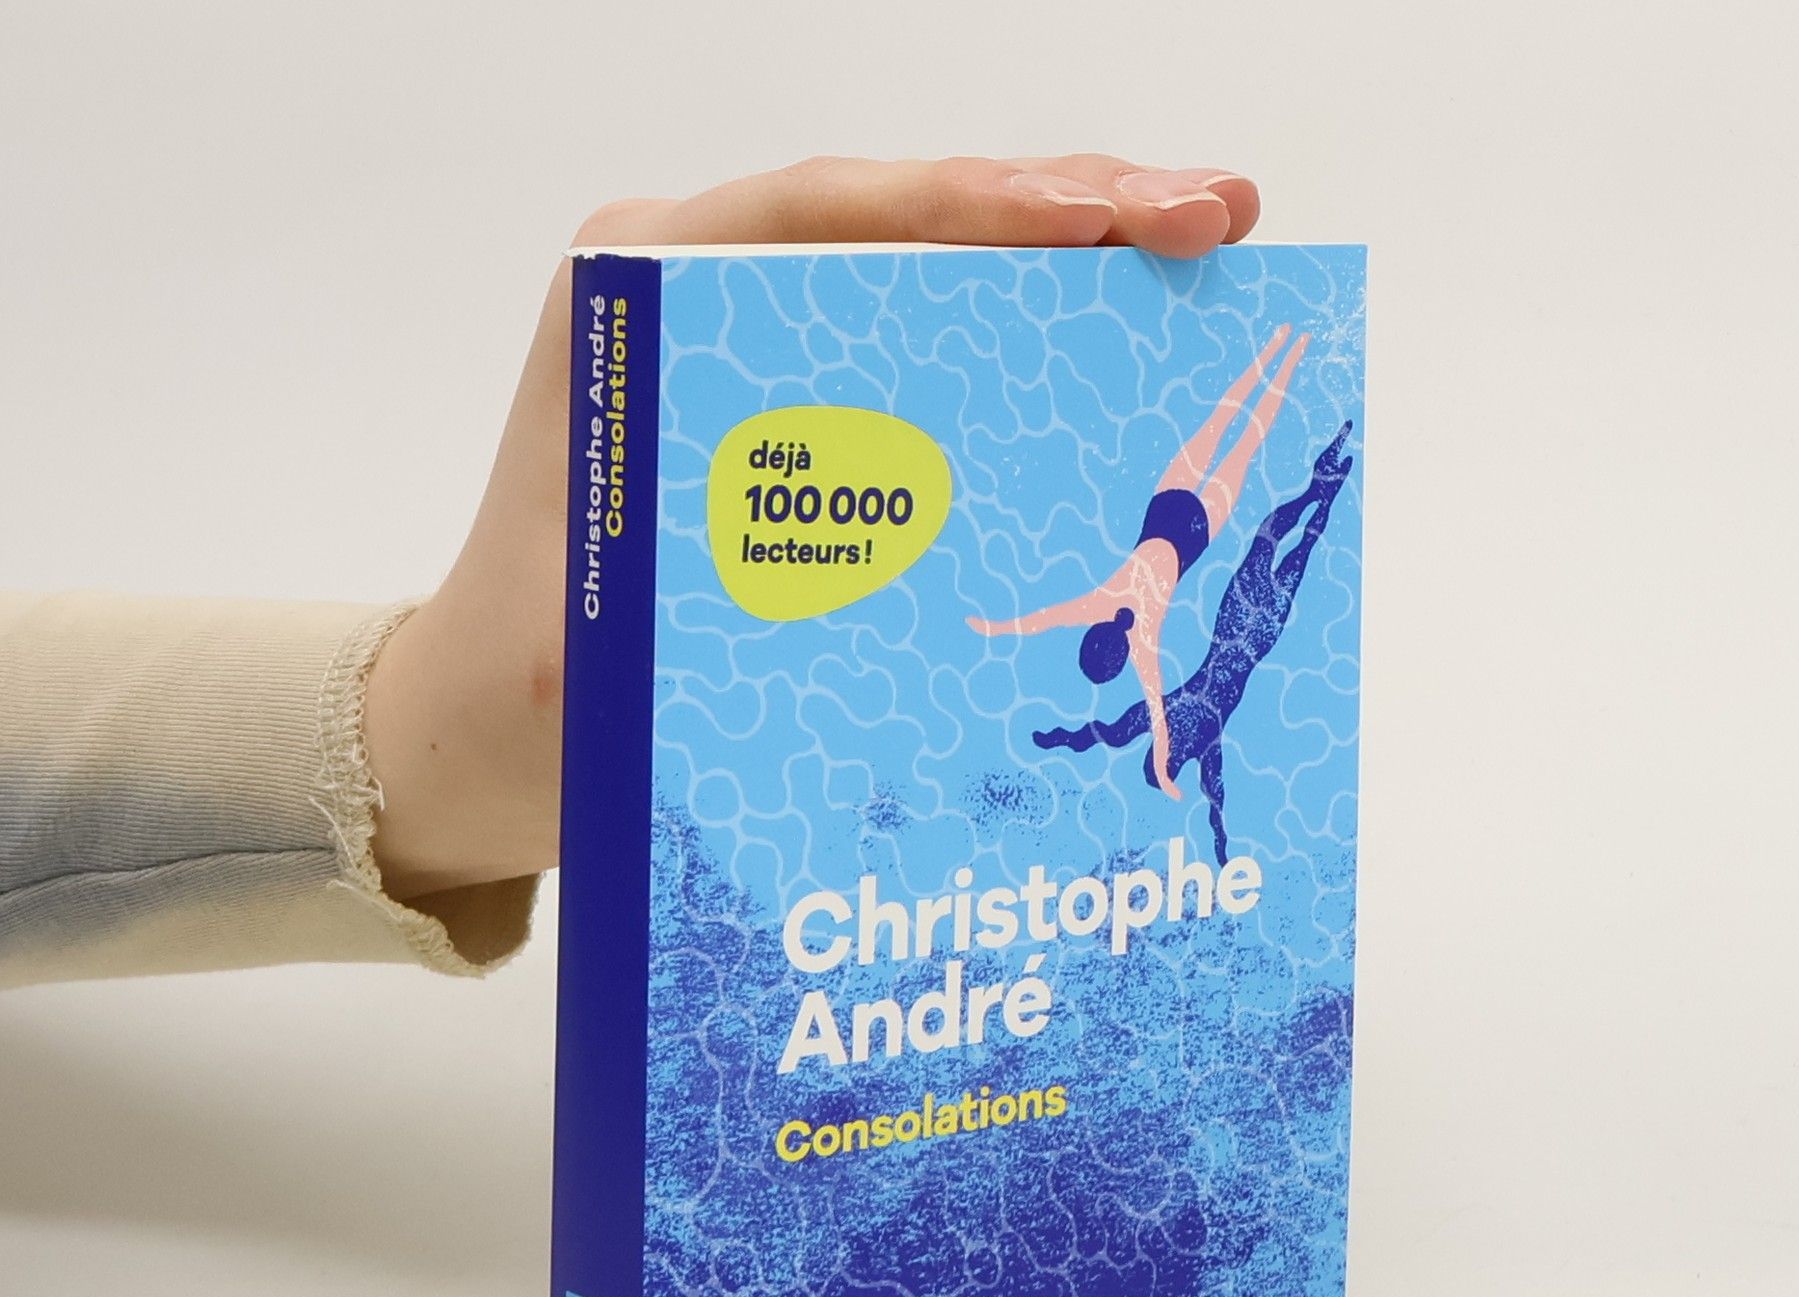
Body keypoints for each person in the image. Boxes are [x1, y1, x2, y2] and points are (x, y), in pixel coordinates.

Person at [0, 154, 1261, 991]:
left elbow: (1046, 631)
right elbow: (1074, 652)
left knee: (1235, 425)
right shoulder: (1127, 630)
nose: (1109, 645)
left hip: (1174, 513)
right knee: (1238, 430)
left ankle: (1283, 361)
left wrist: (427, 731)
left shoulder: (1116, 618)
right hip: (1185, 518)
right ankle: (1284, 361)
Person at [967, 323, 1309, 798]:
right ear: (1091, 634)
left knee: (1247, 441)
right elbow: (1038, 620)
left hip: (1197, 531)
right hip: (1166, 507)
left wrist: (1166, 776)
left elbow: (1159, 726)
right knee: (1225, 414)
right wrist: (992, 628)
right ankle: (1276, 344)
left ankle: (1294, 353)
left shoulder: (1144, 645)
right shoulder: (1093, 604)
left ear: (1121, 657)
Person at [1033, 422, 1354, 863]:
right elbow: (1213, 808)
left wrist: (1055, 740)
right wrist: (1223, 854)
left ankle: (1320, 491)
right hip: (1250, 631)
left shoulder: (1177, 727)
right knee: (1283, 547)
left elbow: (1099, 735)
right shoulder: (1201, 743)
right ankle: (1323, 492)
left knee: (1281, 545)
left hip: (1245, 627)